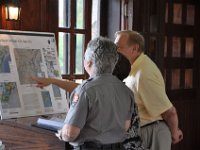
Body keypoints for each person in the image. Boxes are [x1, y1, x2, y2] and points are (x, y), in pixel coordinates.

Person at [33, 37, 136, 150]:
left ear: (88, 62)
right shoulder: (127, 91)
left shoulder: (85, 90)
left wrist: (62, 134)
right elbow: (126, 126)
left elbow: (71, 133)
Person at [114, 30, 183, 150]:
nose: (115, 51)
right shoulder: (131, 68)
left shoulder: (144, 73)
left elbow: (169, 112)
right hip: (139, 133)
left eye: (118, 47)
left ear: (135, 48)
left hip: (152, 134)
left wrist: (174, 132)